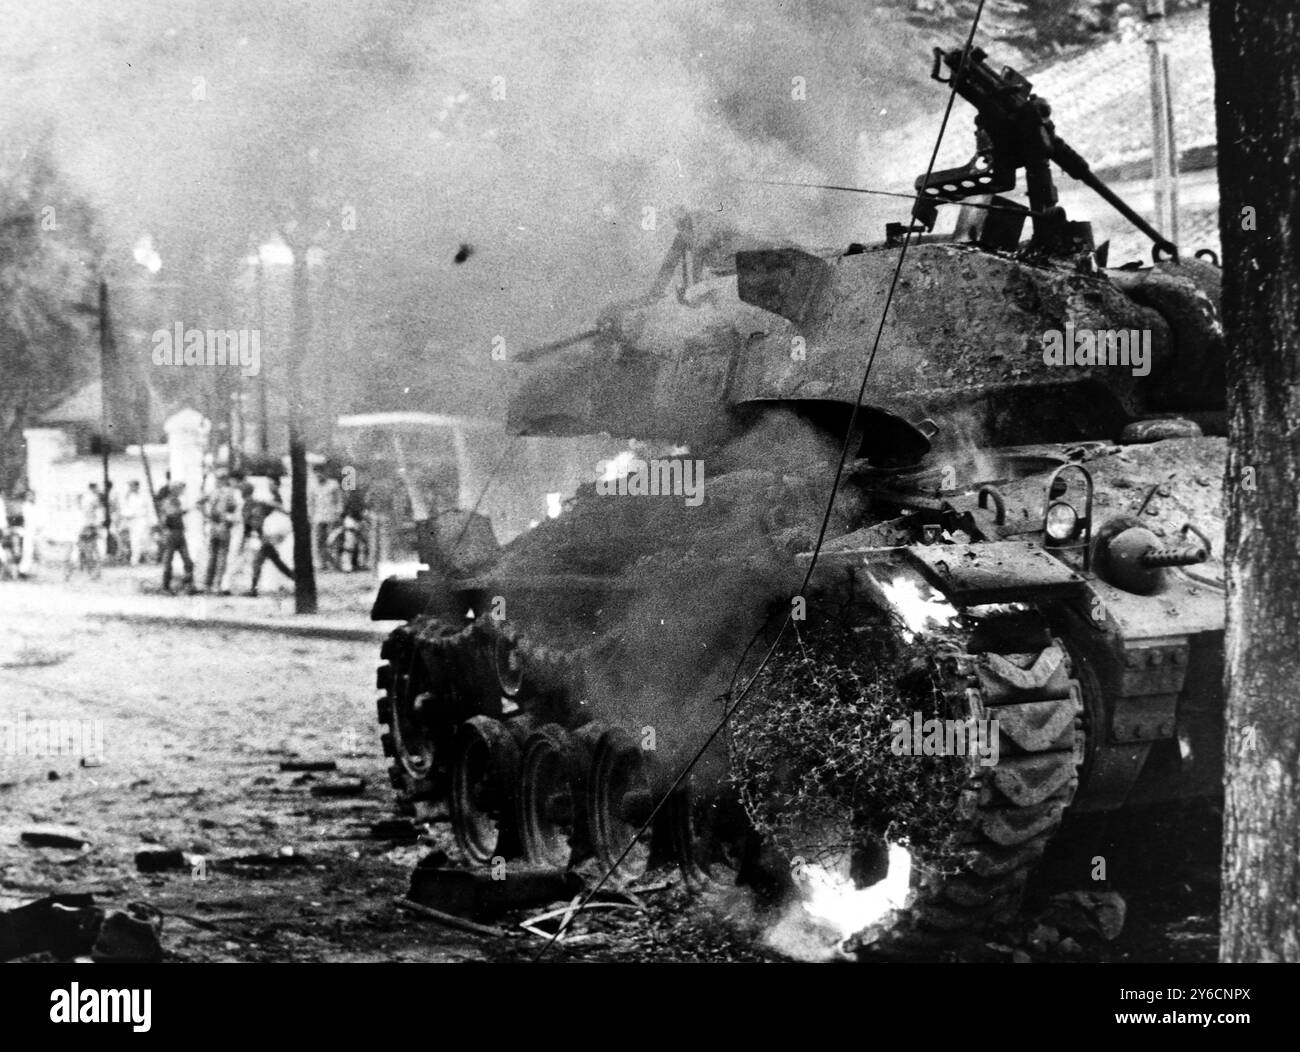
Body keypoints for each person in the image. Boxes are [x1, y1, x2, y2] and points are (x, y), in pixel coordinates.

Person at [200, 471, 241, 594]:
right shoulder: (229, 492)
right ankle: (217, 585)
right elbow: (233, 507)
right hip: (223, 527)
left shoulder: (212, 492)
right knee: (222, 557)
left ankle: (207, 584)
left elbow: (199, 503)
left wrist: (206, 515)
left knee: (212, 556)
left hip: (213, 526)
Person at [246, 496, 294, 597]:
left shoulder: (263, 511)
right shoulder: (258, 515)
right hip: (265, 542)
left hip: (266, 543)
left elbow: (273, 505)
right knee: (278, 564)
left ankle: (253, 589)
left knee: (259, 564)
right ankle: (297, 579)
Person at [157, 482, 196, 594]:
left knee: (187, 561)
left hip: (177, 532)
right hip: (171, 533)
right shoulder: (169, 501)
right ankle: (166, 586)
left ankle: (188, 585)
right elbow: (172, 514)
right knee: (169, 561)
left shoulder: (175, 501)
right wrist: (190, 509)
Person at [309, 468, 344, 570]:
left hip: (332, 517)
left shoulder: (333, 484)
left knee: (333, 541)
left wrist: (339, 512)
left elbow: (339, 500)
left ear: (325, 473)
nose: (319, 476)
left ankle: (334, 563)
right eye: (316, 474)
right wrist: (311, 516)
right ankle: (320, 563)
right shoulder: (312, 486)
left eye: (321, 473)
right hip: (318, 517)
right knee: (318, 541)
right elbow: (311, 502)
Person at [120, 480, 152, 565]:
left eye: (133, 486)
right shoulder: (128, 496)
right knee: (135, 540)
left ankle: (146, 558)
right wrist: (128, 516)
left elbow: (148, 508)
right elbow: (124, 509)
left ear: (137, 486)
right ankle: (134, 560)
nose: (131, 488)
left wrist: (150, 520)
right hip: (133, 520)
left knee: (145, 539)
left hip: (143, 519)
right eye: (130, 486)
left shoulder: (143, 495)